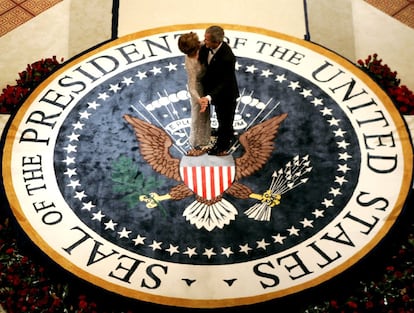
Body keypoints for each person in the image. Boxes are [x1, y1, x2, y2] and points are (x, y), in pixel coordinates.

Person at [198, 25, 239, 156]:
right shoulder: (206, 48)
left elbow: (224, 83)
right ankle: (224, 132)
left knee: (225, 120)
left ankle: (222, 145)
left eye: (207, 40)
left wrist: (209, 97)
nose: (204, 42)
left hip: (226, 95)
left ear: (216, 42)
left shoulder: (228, 57)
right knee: (221, 118)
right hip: (213, 90)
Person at [178, 32, 211, 156]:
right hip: (198, 84)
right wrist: (199, 99)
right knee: (198, 113)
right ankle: (198, 142)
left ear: (198, 44)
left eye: (193, 51)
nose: (191, 55)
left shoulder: (206, 45)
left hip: (212, 80)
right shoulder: (189, 62)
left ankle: (208, 133)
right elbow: (191, 85)